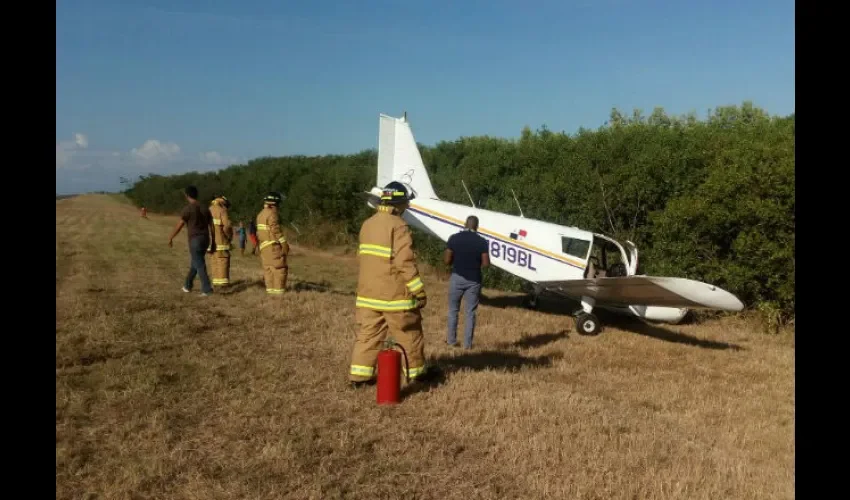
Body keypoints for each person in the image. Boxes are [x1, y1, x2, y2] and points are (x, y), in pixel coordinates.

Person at [348, 181, 440, 388]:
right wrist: (418, 291)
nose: (407, 206)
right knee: (409, 334)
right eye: (406, 202)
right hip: (395, 297)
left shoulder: (368, 224)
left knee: (368, 336)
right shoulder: (398, 225)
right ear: (397, 203)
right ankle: (417, 374)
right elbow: (404, 262)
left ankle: (359, 378)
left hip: (368, 294)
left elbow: (363, 258)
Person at [444, 215, 490, 349]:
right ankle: (467, 345)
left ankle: (451, 341)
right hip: (474, 279)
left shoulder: (454, 238)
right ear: (477, 226)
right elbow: (486, 263)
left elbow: (446, 260)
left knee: (453, 310)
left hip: (457, 277)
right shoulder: (482, 242)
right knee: (470, 313)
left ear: (465, 224)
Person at [168, 185, 215, 296]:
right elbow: (212, 226)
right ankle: (187, 285)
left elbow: (180, 225)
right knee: (196, 262)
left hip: (195, 240)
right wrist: (213, 241)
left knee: (199, 263)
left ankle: (207, 289)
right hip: (205, 239)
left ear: (187, 195)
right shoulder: (205, 208)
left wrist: (171, 237)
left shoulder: (188, 209)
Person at [255, 192, 289, 295]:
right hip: (273, 246)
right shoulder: (272, 215)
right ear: (275, 204)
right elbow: (276, 231)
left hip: (264, 246)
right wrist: (284, 244)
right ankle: (278, 294)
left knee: (268, 269)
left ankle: (270, 292)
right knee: (279, 268)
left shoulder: (260, 214)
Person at [208, 195, 233, 288]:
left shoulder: (209, 209)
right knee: (223, 261)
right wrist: (229, 237)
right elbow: (227, 226)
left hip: (211, 243)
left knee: (214, 262)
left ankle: (216, 282)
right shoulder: (222, 210)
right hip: (221, 242)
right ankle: (223, 285)